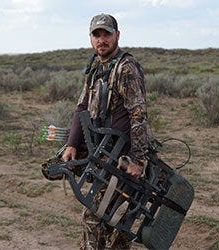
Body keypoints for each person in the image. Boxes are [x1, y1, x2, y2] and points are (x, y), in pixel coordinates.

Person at [61, 13, 150, 249]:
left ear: (117, 35)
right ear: (91, 39)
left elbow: (138, 115)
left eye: (106, 34)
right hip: (104, 156)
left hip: (123, 159)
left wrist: (138, 160)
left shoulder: (125, 68)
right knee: (111, 224)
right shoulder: (95, 68)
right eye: (96, 35)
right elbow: (82, 107)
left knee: (94, 217)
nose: (101, 40)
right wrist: (71, 143)